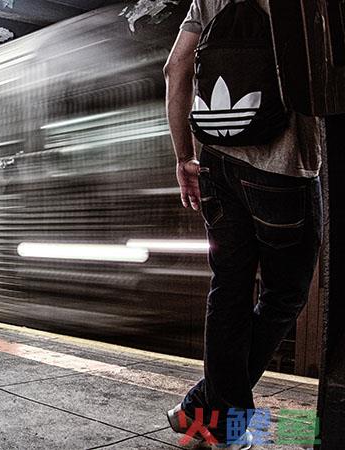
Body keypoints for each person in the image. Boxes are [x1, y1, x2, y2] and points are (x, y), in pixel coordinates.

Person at [163, 1, 322, 448]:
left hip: (215, 162)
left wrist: (183, 158)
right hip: (283, 165)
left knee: (229, 286)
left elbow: (176, 67)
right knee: (285, 294)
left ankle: (203, 411)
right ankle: (218, 422)